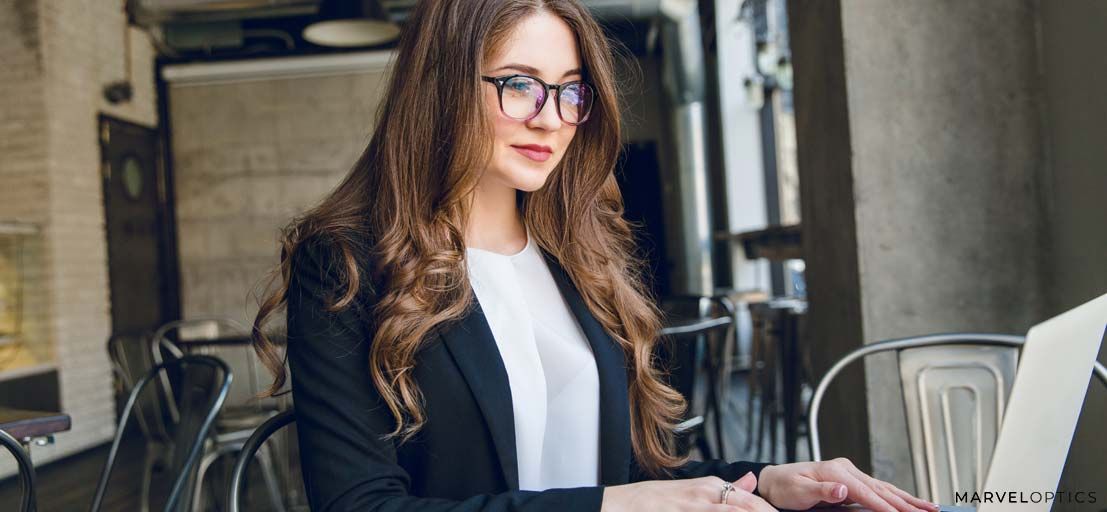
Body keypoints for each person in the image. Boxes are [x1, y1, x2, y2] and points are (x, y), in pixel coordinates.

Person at [251, 1, 940, 511]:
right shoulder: (344, 262)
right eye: (518, 83)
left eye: (570, 89)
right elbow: (361, 507)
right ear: (442, 86)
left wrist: (765, 480)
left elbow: (619, 477)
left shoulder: (578, 256)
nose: (550, 117)